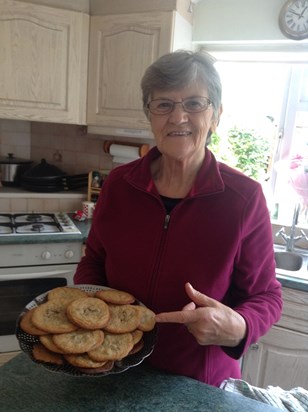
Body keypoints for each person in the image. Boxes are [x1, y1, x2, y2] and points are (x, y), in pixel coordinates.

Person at [74, 50, 282, 387]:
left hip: (197, 383)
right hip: (113, 368)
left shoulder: (243, 199)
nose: (178, 117)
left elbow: (267, 296)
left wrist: (238, 327)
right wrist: (93, 308)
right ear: (150, 115)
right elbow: (94, 261)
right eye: (164, 105)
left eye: (195, 104)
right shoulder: (119, 184)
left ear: (216, 115)